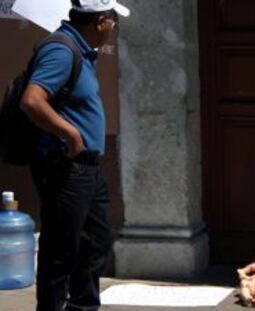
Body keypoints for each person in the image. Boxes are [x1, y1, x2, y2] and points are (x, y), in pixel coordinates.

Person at [20, 1, 130, 310]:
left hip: (87, 169)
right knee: (62, 253)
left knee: (94, 246)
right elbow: (32, 101)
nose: (114, 28)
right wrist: (70, 133)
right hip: (65, 167)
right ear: (100, 22)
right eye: (112, 21)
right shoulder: (61, 50)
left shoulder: (80, 50)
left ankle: (83, 307)